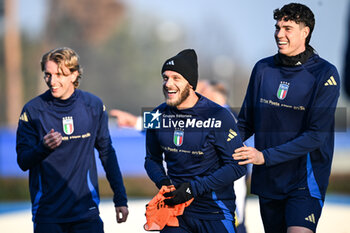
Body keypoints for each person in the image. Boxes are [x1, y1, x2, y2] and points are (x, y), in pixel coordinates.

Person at [233, 3, 340, 233]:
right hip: (268, 181)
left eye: (287, 28)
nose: (279, 34)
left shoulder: (324, 73)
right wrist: (216, 143)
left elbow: (315, 136)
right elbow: (245, 123)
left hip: (304, 182)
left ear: (305, 32)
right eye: (277, 27)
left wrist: (264, 156)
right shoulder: (262, 68)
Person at [16, 47, 129, 233]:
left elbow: (107, 153)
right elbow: (23, 161)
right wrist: (43, 147)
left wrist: (120, 198)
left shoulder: (93, 106)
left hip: (86, 212)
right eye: (48, 74)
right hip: (48, 214)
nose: (52, 81)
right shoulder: (33, 110)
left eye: (60, 74)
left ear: (74, 75)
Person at [144, 49, 247, 233]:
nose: (168, 84)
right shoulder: (154, 115)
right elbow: (151, 159)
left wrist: (193, 189)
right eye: (165, 78)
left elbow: (238, 166)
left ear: (191, 84)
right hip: (176, 213)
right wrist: (163, 182)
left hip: (214, 212)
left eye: (176, 78)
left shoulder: (218, 115)